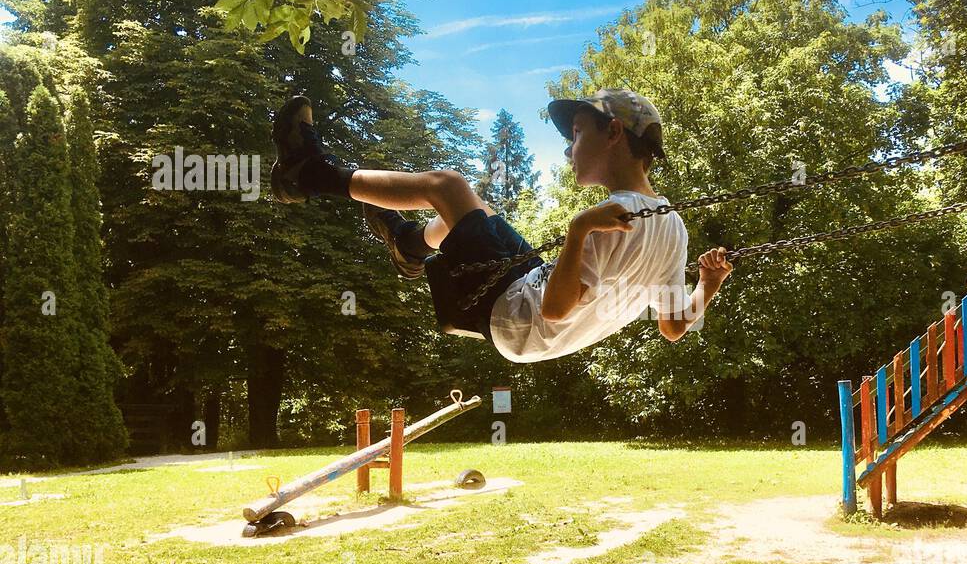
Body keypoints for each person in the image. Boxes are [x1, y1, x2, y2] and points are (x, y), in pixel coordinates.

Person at [268, 88, 732, 362]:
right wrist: (707, 283)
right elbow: (673, 327)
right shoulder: (673, 226)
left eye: (576, 135)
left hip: (517, 313)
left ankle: (308, 174)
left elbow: (555, 309)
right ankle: (410, 245)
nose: (570, 151)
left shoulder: (608, 222)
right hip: (524, 301)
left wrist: (578, 229)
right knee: (472, 206)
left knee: (448, 186)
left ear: (613, 133)